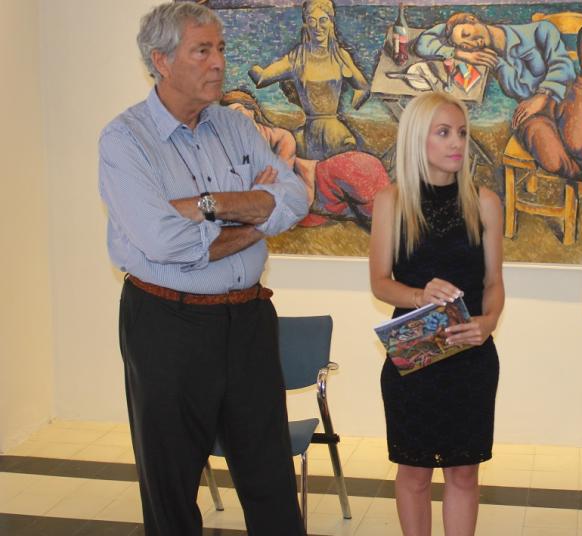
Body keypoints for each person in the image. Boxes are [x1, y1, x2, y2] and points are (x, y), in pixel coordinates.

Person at [98, 4, 309, 535]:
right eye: (203, 50)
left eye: (220, 49)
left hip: (249, 321)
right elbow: (163, 242)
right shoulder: (125, 140)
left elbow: (294, 198)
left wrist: (205, 206)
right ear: (161, 61)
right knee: (171, 486)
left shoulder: (234, 126)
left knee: (272, 482)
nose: (218, 62)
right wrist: (255, 214)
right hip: (169, 324)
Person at [368, 91, 505, 536]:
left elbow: (494, 283)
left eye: (461, 133)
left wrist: (488, 323)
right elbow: (380, 283)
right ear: (416, 138)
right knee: (414, 473)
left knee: (464, 473)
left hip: (471, 357)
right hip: (414, 358)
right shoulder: (391, 201)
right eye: (443, 132)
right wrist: (418, 295)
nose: (457, 143)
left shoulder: (485, 202)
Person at [414, 10, 582, 187]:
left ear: (472, 19)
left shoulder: (540, 30)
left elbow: (563, 66)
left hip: (567, 93)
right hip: (530, 113)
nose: (472, 43)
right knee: (552, 160)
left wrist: (542, 96)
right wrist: (459, 54)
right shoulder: (493, 60)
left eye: (467, 34)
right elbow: (423, 43)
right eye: (466, 45)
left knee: (578, 143)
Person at [221, 89, 390, 229]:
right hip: (323, 203)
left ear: (252, 110)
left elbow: (280, 182)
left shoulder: (281, 137)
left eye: (239, 112)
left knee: (384, 220)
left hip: (330, 177)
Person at [248, 0, 368, 160]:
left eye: (323, 20)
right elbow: (262, 79)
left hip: (335, 131)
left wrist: (356, 102)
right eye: (312, 20)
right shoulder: (297, 57)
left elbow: (363, 87)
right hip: (308, 133)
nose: (318, 27)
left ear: (331, 23)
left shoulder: (340, 56)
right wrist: (250, 65)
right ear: (306, 24)